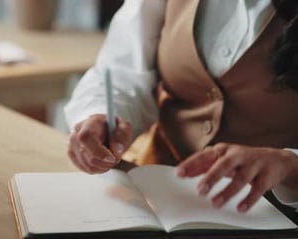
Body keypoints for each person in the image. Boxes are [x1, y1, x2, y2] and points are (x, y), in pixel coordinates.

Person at [64, 0, 298, 213]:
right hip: (156, 198)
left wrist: (289, 165)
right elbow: (123, 70)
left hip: (270, 218)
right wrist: (103, 115)